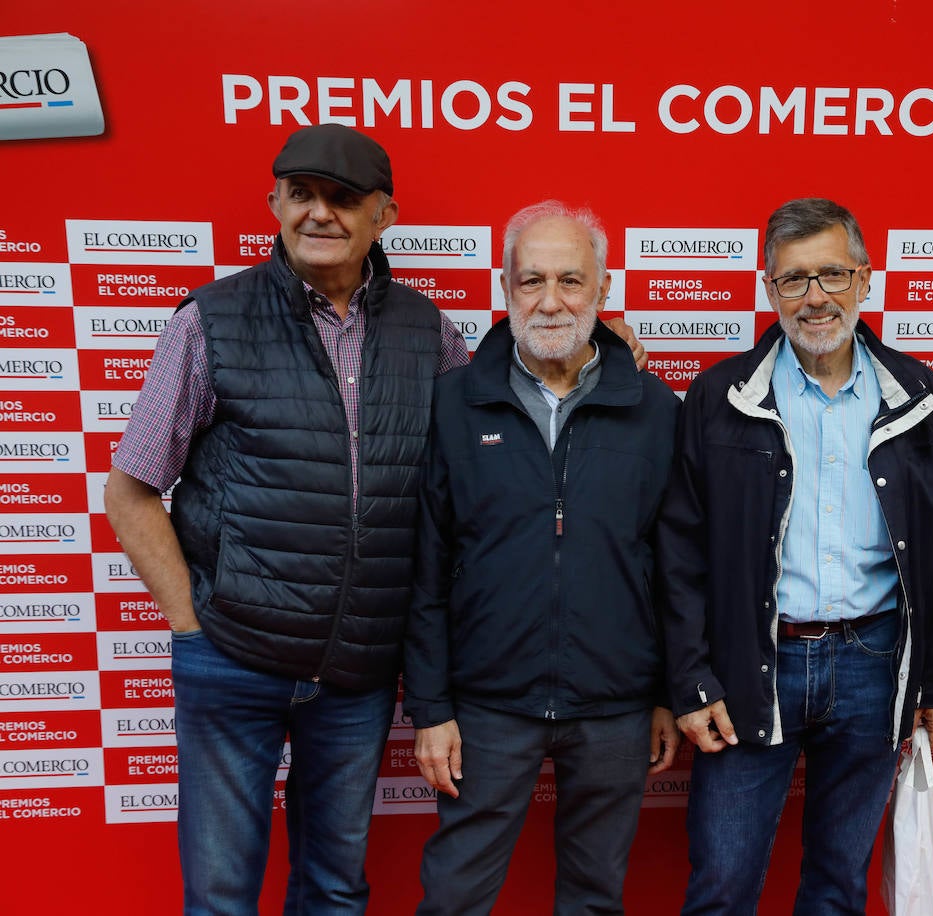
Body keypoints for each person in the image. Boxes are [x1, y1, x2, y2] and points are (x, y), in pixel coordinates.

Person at [102, 126, 644, 914]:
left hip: (356, 676)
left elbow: (509, 401)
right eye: (302, 194)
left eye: (345, 198)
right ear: (275, 204)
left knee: (333, 886)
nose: (321, 213)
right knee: (220, 893)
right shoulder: (210, 321)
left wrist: (607, 353)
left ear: (383, 214)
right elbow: (132, 491)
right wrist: (191, 626)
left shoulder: (429, 333)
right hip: (233, 658)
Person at [657, 197, 933, 915]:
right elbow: (679, 551)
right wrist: (692, 680)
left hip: (874, 665)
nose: (815, 297)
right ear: (770, 290)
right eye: (793, 279)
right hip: (750, 667)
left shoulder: (917, 395)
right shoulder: (719, 396)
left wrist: (931, 682)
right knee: (722, 885)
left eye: (832, 274)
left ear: (865, 279)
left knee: (836, 887)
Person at [403, 200, 681, 915]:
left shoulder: (655, 409)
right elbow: (426, 570)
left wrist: (663, 694)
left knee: (594, 898)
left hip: (615, 707)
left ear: (602, 289)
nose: (550, 300)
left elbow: (674, 565)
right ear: (505, 288)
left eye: (570, 280)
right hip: (487, 704)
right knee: (455, 894)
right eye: (531, 281)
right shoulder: (453, 404)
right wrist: (430, 708)